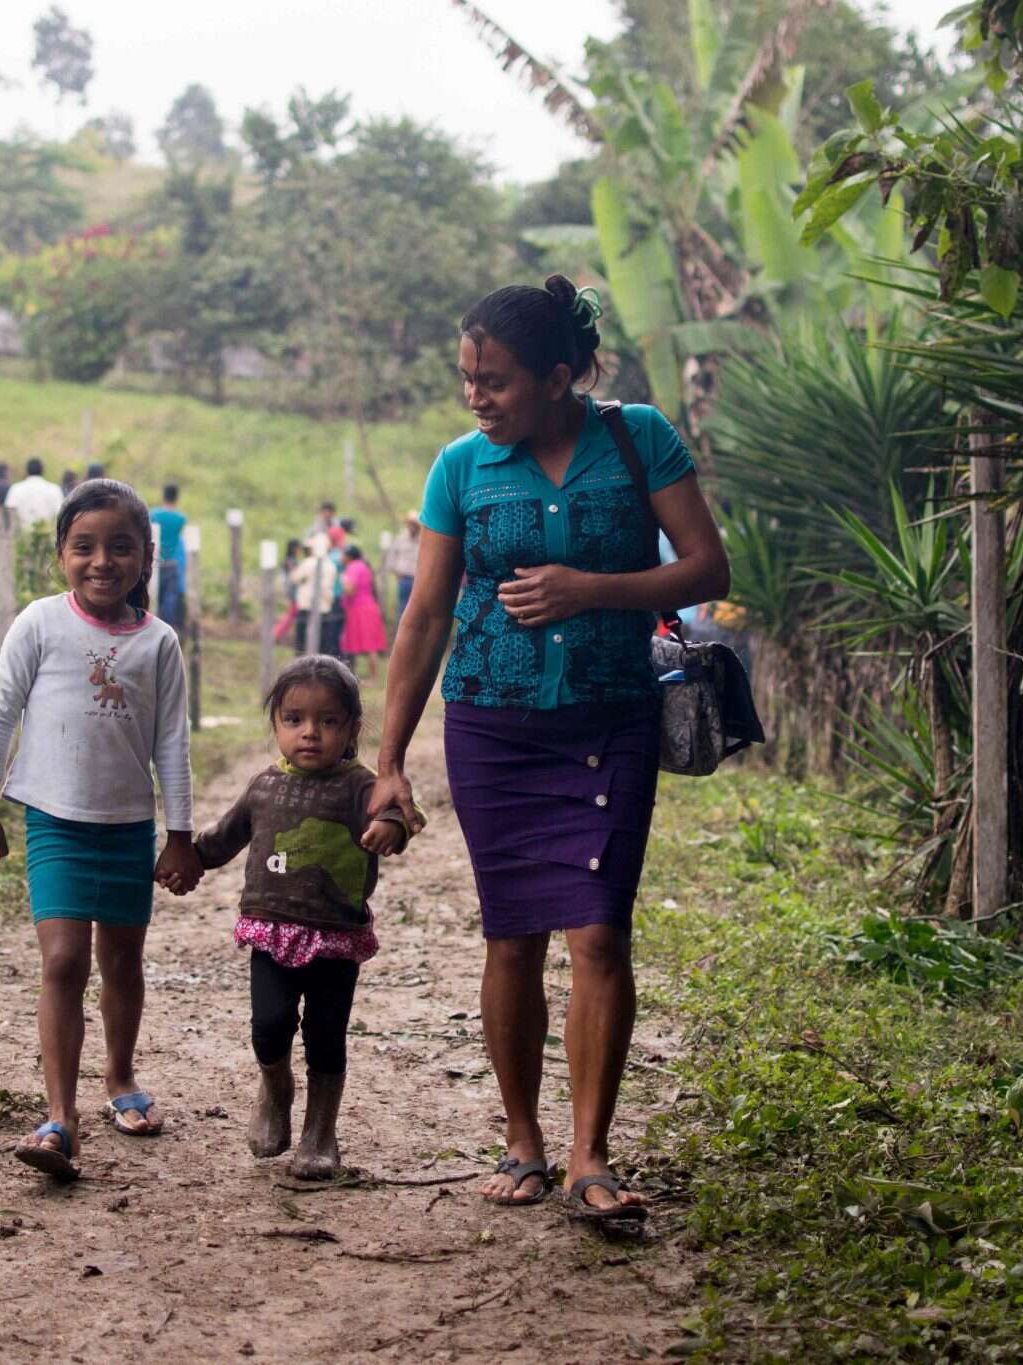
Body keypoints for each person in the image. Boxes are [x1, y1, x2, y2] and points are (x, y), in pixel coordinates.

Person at [369, 275, 728, 1225]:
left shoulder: (638, 437)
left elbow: (706, 567)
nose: (475, 397)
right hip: (492, 722)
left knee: (601, 931)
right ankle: (523, 1138)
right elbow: (427, 616)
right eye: (466, 379)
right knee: (513, 934)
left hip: (611, 717)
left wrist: (589, 589)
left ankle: (589, 1151)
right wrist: (391, 756)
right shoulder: (460, 467)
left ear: (559, 376)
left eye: (493, 380)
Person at [0, 478, 201, 1181]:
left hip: (127, 827)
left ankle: (121, 1076)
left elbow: (172, 746)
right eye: (85, 546)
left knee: (122, 962)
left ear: (146, 556)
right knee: (64, 960)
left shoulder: (160, 643)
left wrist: (179, 833)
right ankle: (60, 1117)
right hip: (54, 823)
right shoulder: (40, 623)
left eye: (120, 547)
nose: (103, 561)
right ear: (61, 554)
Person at [194, 656, 413, 1179]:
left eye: (328, 721)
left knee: (326, 1032)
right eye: (294, 720)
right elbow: (224, 837)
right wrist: (186, 858)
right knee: (268, 1026)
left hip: (337, 937)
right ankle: (275, 1088)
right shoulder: (264, 787)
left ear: (352, 728)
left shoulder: (361, 786)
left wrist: (391, 828)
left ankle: (320, 1130)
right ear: (276, 725)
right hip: (271, 933)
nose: (310, 733)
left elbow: (399, 812)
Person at [338, 544, 388, 679]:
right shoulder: (363, 566)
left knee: (365, 644)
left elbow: (350, 590)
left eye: (342, 554)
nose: (340, 557)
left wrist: (342, 580)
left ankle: (364, 677)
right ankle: (372, 677)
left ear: (349, 556)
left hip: (359, 609)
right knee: (369, 644)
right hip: (369, 607)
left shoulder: (352, 567)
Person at [150, 483, 188, 631]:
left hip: (156, 561)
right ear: (176, 498)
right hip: (172, 562)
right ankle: (168, 628)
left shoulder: (153, 514)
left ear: (163, 495)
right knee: (169, 598)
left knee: (154, 595)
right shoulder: (180, 518)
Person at [4, 457, 63, 528]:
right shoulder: (54, 489)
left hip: (23, 535)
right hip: (47, 534)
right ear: (43, 470)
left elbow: (11, 512)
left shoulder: (16, 488)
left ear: (26, 471)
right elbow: (60, 513)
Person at [386, 512, 422, 618]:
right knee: (402, 608)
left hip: (418, 580)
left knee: (417, 609)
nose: (412, 526)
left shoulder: (422, 539)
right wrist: (397, 574)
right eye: (410, 524)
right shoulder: (401, 538)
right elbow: (391, 558)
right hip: (404, 579)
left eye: (414, 524)